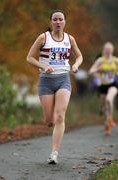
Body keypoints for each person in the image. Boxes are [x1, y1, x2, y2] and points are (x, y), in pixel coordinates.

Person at [27, 9, 83, 164]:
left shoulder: (69, 39)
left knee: (60, 116)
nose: (58, 22)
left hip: (63, 80)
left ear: (65, 22)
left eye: (61, 19)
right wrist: (43, 66)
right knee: (49, 121)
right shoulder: (43, 38)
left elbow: (79, 56)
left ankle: (54, 153)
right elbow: (29, 57)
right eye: (55, 19)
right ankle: (48, 120)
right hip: (46, 81)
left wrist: (76, 65)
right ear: (51, 21)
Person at [89, 42, 118, 135]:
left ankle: (110, 120)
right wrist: (98, 70)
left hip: (113, 84)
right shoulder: (100, 60)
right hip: (103, 86)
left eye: (110, 50)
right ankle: (107, 123)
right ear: (104, 50)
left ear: (112, 50)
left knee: (109, 100)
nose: (108, 51)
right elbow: (91, 71)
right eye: (107, 50)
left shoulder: (115, 60)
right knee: (104, 105)